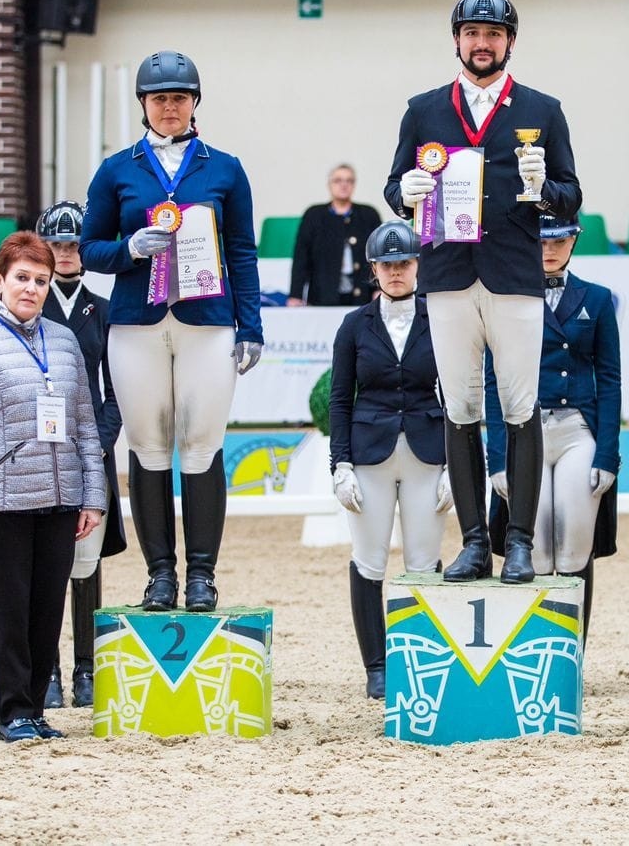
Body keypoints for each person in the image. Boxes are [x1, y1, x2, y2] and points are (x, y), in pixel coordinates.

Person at [384, 0, 582, 585]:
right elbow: (396, 185)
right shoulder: (424, 110)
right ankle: (473, 540)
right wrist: (406, 193)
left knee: (521, 408)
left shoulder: (543, 110)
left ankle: (516, 539)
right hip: (447, 276)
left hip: (515, 275)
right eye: (472, 33)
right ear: (457, 40)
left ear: (509, 43)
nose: (482, 43)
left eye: (493, 34)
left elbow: (573, 196)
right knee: (462, 408)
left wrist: (545, 186)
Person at [81, 50, 264, 613]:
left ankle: (203, 574)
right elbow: (88, 249)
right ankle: (160, 573)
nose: (169, 107)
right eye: (159, 99)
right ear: (143, 104)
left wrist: (250, 323)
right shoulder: (116, 170)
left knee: (203, 442)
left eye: (179, 98)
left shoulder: (225, 168)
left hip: (206, 320)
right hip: (136, 321)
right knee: (148, 444)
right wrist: (129, 250)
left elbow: (241, 250)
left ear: (194, 104)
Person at [0, 232, 107, 742]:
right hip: (2, 501)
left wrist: (93, 495)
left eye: (41, 279)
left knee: (46, 608)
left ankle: (35, 708)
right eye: (22, 278)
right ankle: (12, 711)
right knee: (10, 608)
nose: (31, 289)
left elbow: (84, 422)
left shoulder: (63, 341)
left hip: (60, 499)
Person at [328, 220, 453, 700]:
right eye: (388, 264)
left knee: (423, 560)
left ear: (417, 265)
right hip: (369, 455)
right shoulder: (354, 325)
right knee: (369, 560)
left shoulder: (440, 317)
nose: (396, 272)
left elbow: (459, 393)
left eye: (404, 263)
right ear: (373, 268)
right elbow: (340, 399)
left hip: (425, 451)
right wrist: (339, 464)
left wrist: (455, 468)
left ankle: (421, 658)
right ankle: (376, 666)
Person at [485, 215, 619, 631]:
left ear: (573, 241)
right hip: (527, 430)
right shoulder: (509, 298)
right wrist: (497, 457)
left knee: (576, 540)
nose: (550, 249)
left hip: (577, 427)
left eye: (560, 240)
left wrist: (609, 454)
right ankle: (539, 643)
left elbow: (611, 378)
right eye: (542, 240)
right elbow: (494, 378)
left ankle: (575, 649)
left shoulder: (596, 300)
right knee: (536, 542)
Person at [35, 200, 127, 711]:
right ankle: (46, 669)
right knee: (47, 563)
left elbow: (115, 391)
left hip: (89, 444)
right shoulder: (29, 304)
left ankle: (86, 668)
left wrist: (100, 441)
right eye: (56, 246)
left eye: (73, 245)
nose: (66, 254)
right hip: (38, 448)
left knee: (85, 562)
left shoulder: (104, 310)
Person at [288, 164, 383, 307]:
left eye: (349, 181)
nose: (344, 185)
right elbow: (301, 258)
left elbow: (379, 255)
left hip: (362, 297)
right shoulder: (313, 215)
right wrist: (295, 295)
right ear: (329, 184)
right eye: (338, 180)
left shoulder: (369, 214)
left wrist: (379, 288)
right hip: (322, 296)